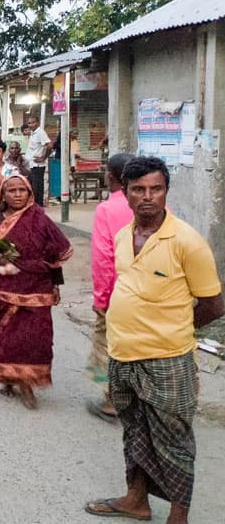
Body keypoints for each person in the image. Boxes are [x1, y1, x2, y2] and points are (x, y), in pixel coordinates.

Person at [84, 157, 223, 523]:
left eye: (156, 189)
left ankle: (179, 516)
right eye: (139, 190)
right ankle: (136, 500)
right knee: (135, 435)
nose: (148, 197)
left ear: (165, 192)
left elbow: (212, 304)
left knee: (174, 442)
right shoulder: (122, 235)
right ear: (125, 193)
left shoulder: (187, 242)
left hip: (168, 360)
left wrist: (174, 328)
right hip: (123, 354)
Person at [0, 174, 72, 409]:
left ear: (30, 193)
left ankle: (23, 380)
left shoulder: (39, 218)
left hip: (37, 286)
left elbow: (55, 254)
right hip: (3, 287)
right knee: (10, 337)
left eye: (22, 190)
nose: (18, 194)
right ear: (3, 196)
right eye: (12, 191)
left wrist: (55, 283)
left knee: (38, 337)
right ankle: (13, 377)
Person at [85, 152, 135, 422]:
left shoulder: (107, 209)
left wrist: (101, 298)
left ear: (112, 176)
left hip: (117, 292)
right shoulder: (158, 205)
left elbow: (104, 259)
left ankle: (111, 400)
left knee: (108, 343)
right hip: (149, 293)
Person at [25, 116, 51, 206]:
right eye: (29, 123)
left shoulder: (40, 133)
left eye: (33, 122)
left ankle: (38, 208)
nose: (31, 125)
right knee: (32, 188)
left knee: (37, 189)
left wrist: (43, 157)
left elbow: (49, 145)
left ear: (37, 123)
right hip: (31, 165)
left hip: (38, 166)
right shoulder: (33, 133)